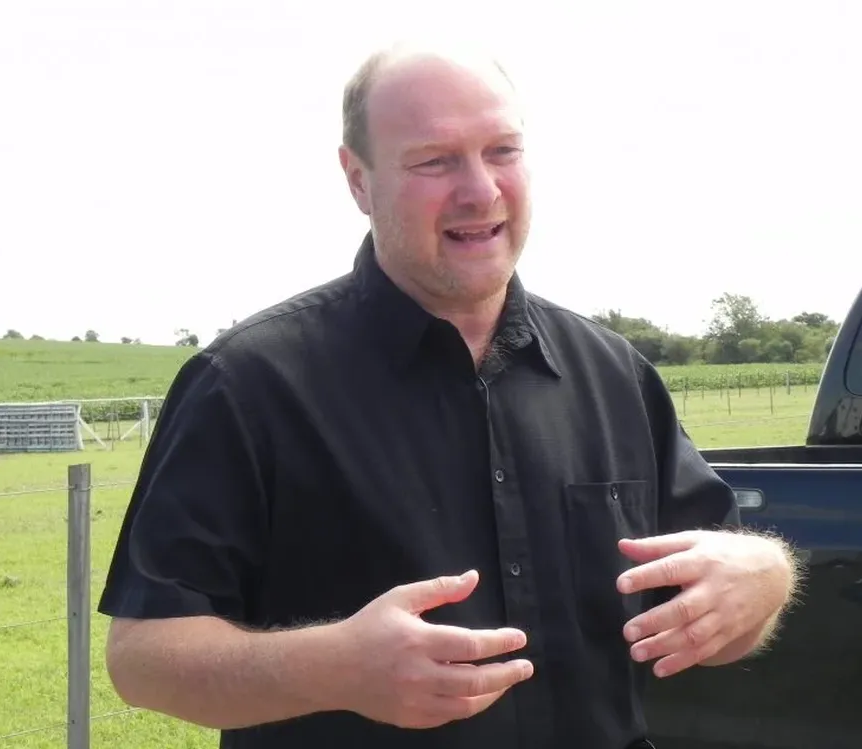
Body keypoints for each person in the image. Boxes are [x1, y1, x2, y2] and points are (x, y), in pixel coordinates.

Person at [97, 41, 800, 749]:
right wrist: (335, 667)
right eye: (436, 160)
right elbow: (144, 658)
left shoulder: (614, 373)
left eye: (502, 151)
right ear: (358, 180)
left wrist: (765, 577)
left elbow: (721, 618)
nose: (481, 190)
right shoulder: (249, 385)